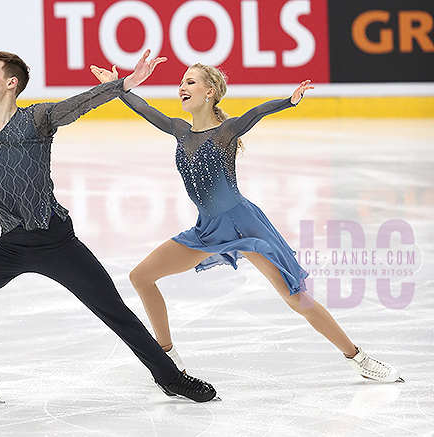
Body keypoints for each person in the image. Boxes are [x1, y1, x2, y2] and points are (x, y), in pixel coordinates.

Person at [0, 50, 217, 402]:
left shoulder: (37, 120)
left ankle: (170, 378)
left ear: (10, 83)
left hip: (55, 239)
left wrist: (126, 83)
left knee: (113, 310)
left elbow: (78, 104)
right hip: (11, 244)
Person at [90, 58, 403, 383]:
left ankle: (358, 357)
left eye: (191, 82)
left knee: (297, 298)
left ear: (210, 92)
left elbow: (255, 113)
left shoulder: (225, 132)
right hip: (207, 229)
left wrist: (289, 101)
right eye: (182, 82)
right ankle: (168, 358)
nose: (182, 87)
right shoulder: (179, 130)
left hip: (244, 226)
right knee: (141, 277)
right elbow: (142, 108)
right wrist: (117, 85)